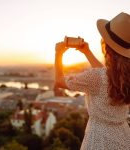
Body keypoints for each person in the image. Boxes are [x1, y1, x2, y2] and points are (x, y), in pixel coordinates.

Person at [54, 12, 130, 150]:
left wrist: (58, 54)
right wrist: (87, 52)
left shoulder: (96, 77)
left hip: (99, 139)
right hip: (123, 137)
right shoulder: (124, 76)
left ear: (106, 46)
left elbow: (59, 81)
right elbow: (106, 76)